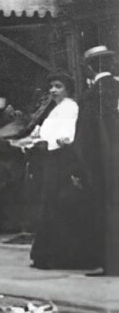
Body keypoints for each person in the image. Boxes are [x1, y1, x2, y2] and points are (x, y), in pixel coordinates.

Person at [23, 73, 100, 270]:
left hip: (63, 160)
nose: (53, 90)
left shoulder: (70, 107)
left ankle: (63, 256)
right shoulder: (55, 109)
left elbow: (70, 135)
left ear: (67, 89)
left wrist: (62, 141)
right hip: (51, 159)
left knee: (61, 206)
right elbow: (43, 133)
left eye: (58, 86)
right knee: (50, 206)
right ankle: (49, 255)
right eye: (51, 86)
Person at [76, 46, 119, 274]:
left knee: (107, 210)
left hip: (104, 163)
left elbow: (85, 139)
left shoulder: (91, 96)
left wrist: (82, 169)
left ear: (89, 68)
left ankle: (111, 263)